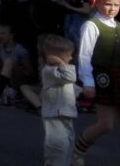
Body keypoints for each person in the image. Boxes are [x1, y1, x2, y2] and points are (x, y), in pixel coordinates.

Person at [73, 0, 120, 163]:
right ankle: (78, 150)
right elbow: (84, 56)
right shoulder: (91, 25)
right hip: (102, 78)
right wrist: (88, 82)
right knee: (106, 125)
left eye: (116, 4)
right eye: (108, 3)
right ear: (97, 2)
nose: (112, 8)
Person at [38, 34, 79, 166]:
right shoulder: (49, 71)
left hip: (65, 114)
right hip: (54, 116)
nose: (71, 58)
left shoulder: (59, 72)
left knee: (68, 144)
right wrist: (61, 63)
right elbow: (71, 77)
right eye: (68, 55)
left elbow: (70, 86)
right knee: (57, 147)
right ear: (56, 57)